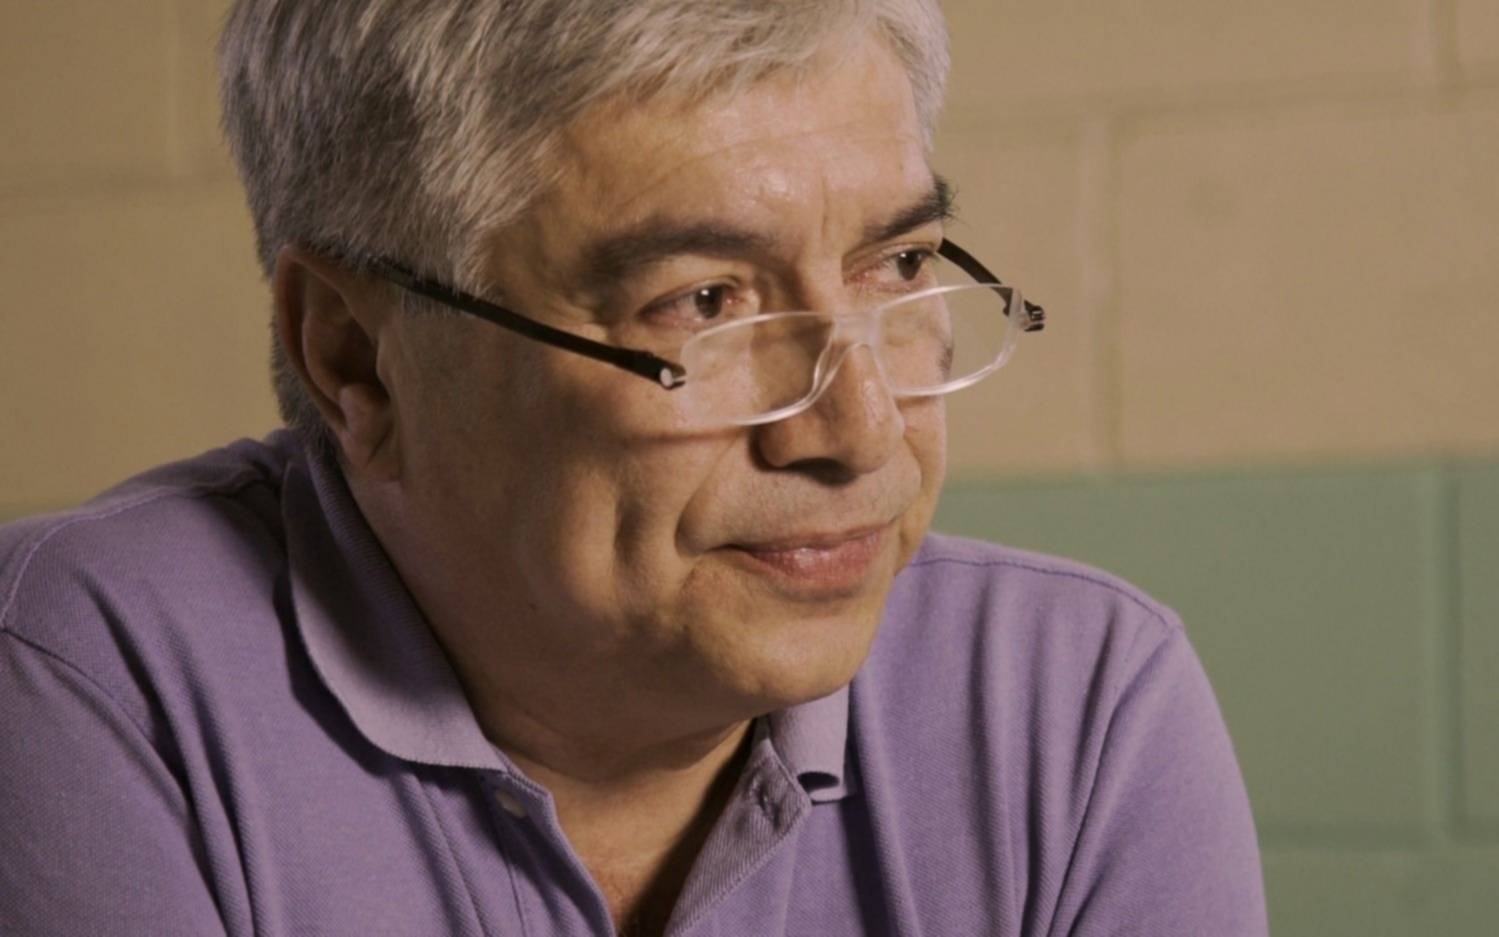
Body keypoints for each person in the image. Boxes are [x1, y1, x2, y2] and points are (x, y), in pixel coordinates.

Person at [0, 2, 1267, 935]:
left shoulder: (1075, 706)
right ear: (356, 359)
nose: (859, 431)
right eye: (702, 303)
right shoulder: (85, 678)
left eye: (896, 267)